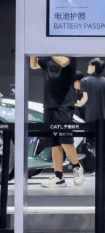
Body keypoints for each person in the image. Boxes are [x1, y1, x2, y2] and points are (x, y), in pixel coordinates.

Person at [29, 56, 84, 188]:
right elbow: (33, 65)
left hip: (64, 104)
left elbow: (64, 62)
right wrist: (33, 53)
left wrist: (49, 51)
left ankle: (77, 167)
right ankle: (59, 177)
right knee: (54, 143)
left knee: (65, 140)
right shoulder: (47, 59)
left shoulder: (69, 57)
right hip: (49, 105)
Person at [77, 58, 105, 123]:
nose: (88, 67)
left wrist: (79, 104)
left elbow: (85, 98)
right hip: (103, 117)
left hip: (90, 117)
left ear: (93, 67)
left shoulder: (85, 81)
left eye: (89, 66)